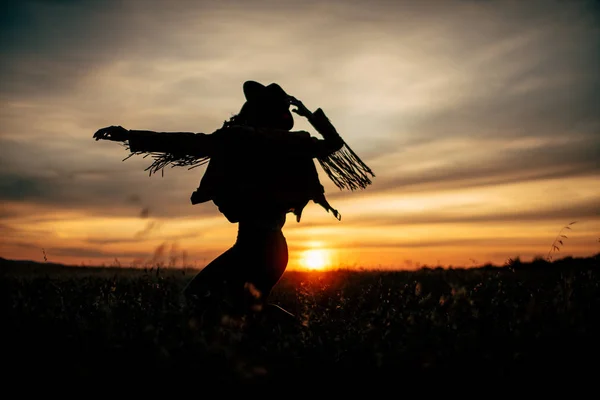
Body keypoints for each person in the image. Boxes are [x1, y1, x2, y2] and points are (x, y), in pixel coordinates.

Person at [93, 80, 373, 322]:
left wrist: (129, 135)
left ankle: (295, 336)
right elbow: (334, 143)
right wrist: (310, 115)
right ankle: (290, 342)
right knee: (244, 309)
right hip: (274, 249)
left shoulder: (239, 139)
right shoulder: (293, 144)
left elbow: (188, 142)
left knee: (200, 297)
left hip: (255, 248)